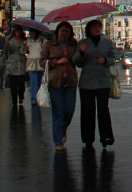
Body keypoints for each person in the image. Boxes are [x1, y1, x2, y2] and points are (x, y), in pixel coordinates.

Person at [73, 18, 117, 148]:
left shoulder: (107, 42)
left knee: (103, 110)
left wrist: (105, 60)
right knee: (87, 110)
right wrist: (81, 53)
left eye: (99, 26)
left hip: (103, 81)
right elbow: (77, 62)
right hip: (87, 82)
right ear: (88, 30)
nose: (97, 29)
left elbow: (113, 58)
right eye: (94, 27)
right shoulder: (82, 43)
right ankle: (88, 138)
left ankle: (106, 136)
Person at [41, 22, 80, 151]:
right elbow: (42, 62)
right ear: (57, 32)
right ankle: (58, 142)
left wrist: (81, 53)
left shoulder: (74, 45)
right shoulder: (49, 45)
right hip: (55, 82)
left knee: (69, 111)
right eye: (62, 31)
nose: (64, 33)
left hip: (70, 81)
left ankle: (62, 129)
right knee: (58, 112)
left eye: (67, 31)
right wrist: (56, 62)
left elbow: (78, 62)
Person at [6, 28, 29, 106]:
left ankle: (21, 96)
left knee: (21, 84)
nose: (18, 33)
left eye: (19, 32)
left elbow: (24, 52)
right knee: (13, 85)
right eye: (17, 31)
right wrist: (7, 45)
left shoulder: (24, 41)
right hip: (12, 63)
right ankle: (14, 100)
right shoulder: (10, 40)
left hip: (21, 63)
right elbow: (6, 50)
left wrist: (24, 46)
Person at [27, 31, 47, 97]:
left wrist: (43, 44)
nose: (32, 34)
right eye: (31, 33)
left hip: (40, 63)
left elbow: (46, 51)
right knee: (33, 82)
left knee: (40, 82)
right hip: (31, 63)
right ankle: (34, 98)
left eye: (33, 33)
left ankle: (40, 97)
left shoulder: (42, 40)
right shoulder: (28, 41)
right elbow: (23, 51)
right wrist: (24, 46)